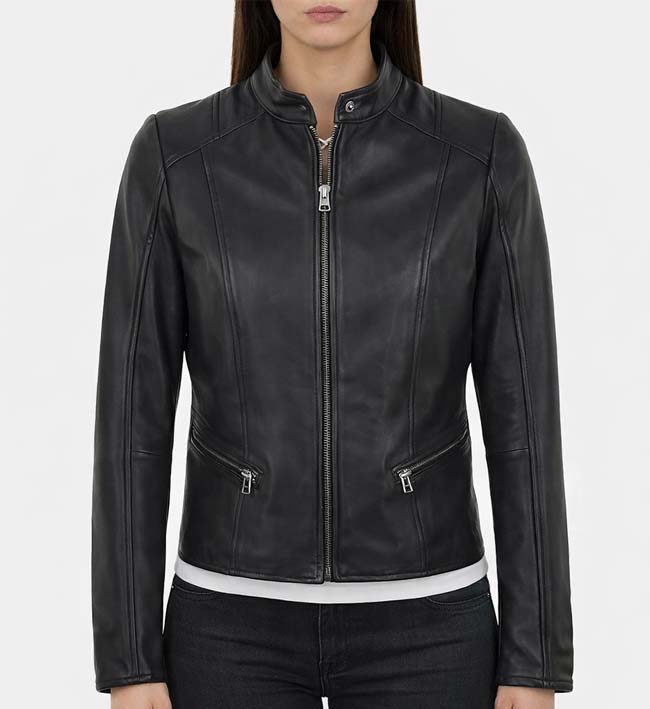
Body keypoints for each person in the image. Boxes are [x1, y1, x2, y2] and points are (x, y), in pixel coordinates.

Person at [91, 1, 573, 707]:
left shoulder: (478, 157)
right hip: (228, 628)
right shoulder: (176, 158)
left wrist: (534, 661)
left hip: (430, 628)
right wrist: (130, 661)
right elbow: (131, 424)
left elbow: (524, 422)